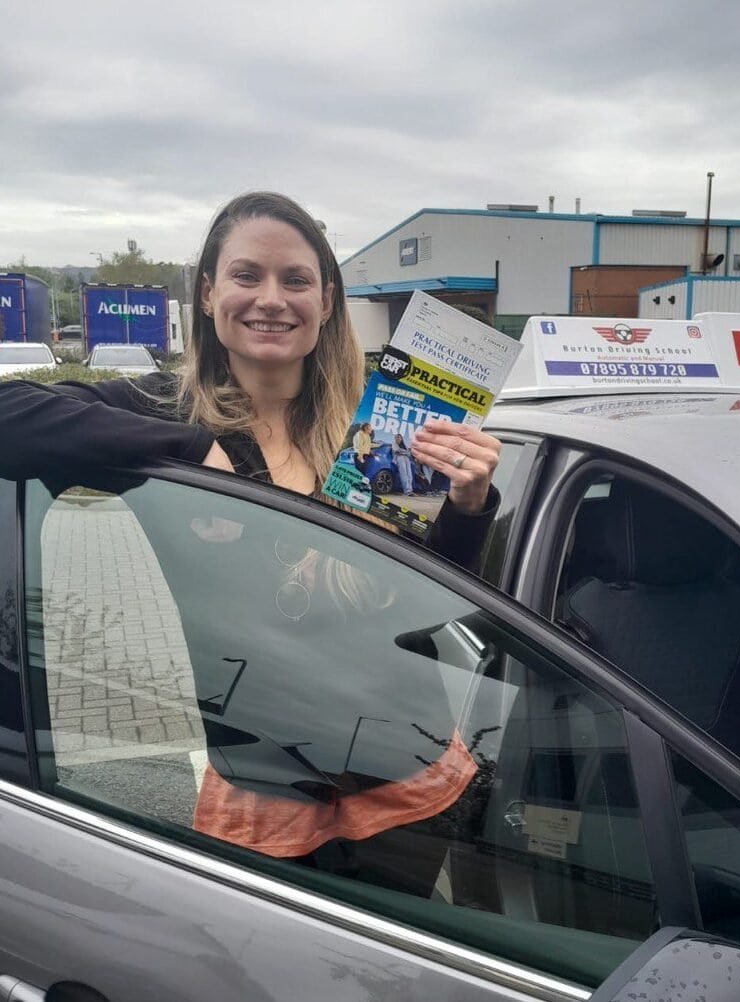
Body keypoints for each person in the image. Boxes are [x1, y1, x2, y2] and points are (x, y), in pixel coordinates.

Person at [0, 191, 502, 878]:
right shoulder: (158, 407)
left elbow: (431, 599)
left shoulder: (379, 423)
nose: (272, 298)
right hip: (265, 778)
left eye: (295, 280)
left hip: (408, 765)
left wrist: (469, 506)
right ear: (208, 294)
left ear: (327, 301)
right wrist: (185, 446)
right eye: (247, 276)